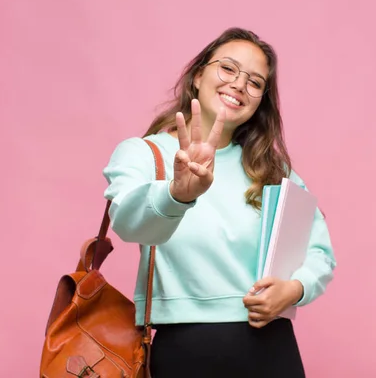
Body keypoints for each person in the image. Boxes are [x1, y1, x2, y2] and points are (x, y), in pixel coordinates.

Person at [102, 27, 336, 378]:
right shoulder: (143, 153)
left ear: (260, 101)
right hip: (184, 350)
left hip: (271, 347)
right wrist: (178, 194)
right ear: (197, 76)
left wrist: (295, 288)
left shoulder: (272, 169)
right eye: (228, 68)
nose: (239, 85)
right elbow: (127, 223)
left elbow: (319, 250)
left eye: (255, 82)